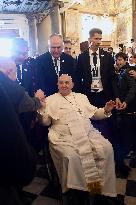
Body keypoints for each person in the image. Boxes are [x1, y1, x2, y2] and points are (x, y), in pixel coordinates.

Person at [38, 74, 123, 205]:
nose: (64, 85)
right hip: (63, 137)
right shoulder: (50, 100)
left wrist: (105, 110)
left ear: (72, 85)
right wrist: (41, 108)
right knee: (71, 157)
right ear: (57, 85)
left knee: (106, 149)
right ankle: (76, 193)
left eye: (67, 82)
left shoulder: (82, 97)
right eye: (61, 83)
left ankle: (101, 191)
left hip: (87, 134)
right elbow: (45, 122)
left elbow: (94, 114)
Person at [74, 28, 115, 144]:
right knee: (90, 121)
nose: (98, 41)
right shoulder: (82, 57)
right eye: (96, 38)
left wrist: (114, 95)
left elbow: (112, 78)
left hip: (103, 94)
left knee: (105, 121)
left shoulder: (107, 56)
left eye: (100, 39)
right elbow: (77, 78)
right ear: (89, 39)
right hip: (88, 95)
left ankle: (105, 144)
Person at [112, 52, 136, 174]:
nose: (118, 62)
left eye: (120, 59)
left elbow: (133, 88)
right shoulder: (120, 71)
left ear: (126, 60)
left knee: (128, 132)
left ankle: (127, 155)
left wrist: (126, 101)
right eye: (117, 60)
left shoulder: (128, 71)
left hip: (129, 108)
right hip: (124, 107)